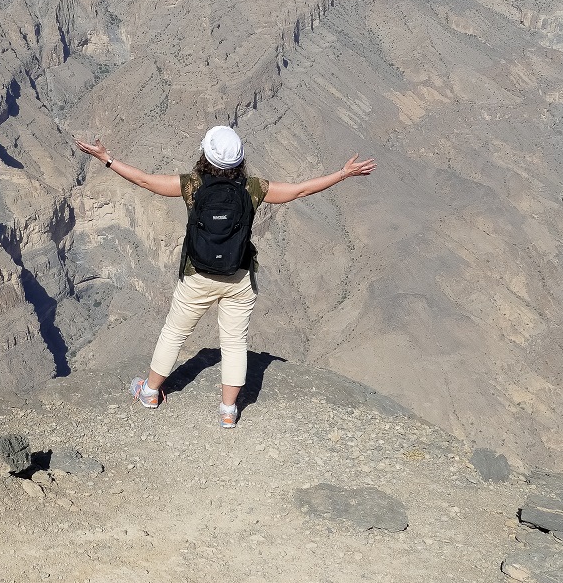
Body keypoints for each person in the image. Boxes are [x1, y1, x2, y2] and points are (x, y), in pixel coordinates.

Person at [75, 125, 376, 428]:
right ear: (239, 160)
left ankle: (150, 392)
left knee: (175, 332)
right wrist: (342, 174)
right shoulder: (253, 188)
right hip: (239, 275)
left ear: (204, 154)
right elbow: (300, 190)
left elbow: (144, 180)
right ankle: (228, 411)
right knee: (234, 342)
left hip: (198, 275)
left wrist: (107, 159)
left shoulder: (192, 185)